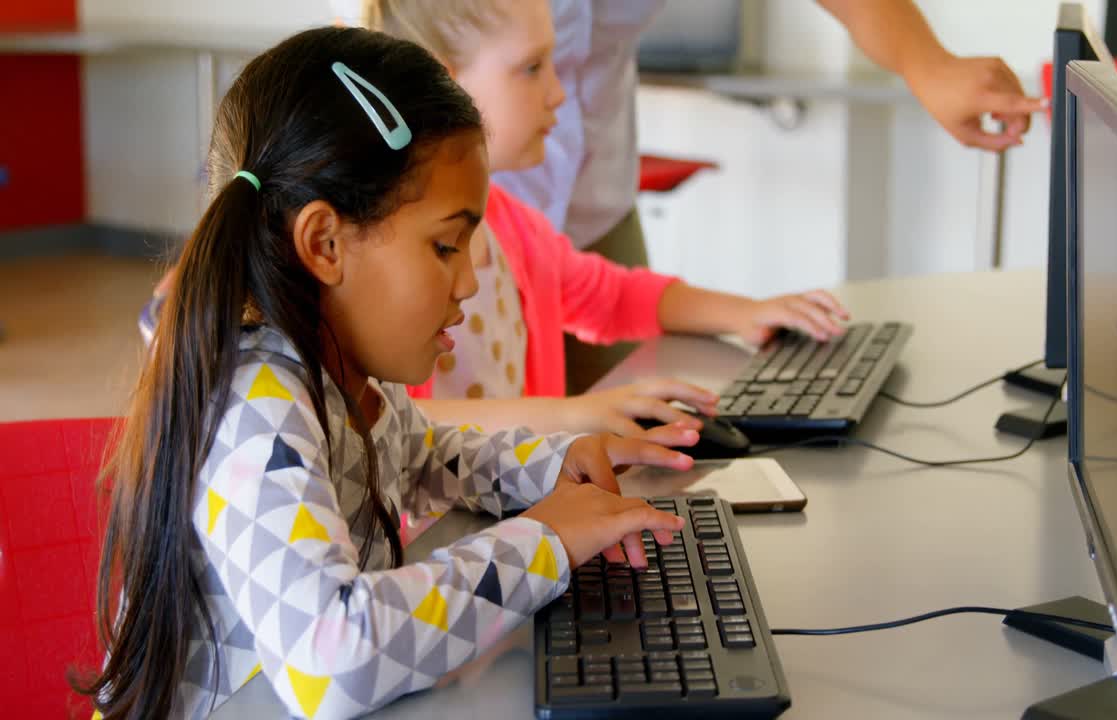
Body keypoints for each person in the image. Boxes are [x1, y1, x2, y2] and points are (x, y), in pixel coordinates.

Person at [81, 27, 695, 719]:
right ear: (325, 243)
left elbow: (432, 455)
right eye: (444, 245)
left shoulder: (346, 377)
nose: (468, 282)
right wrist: (547, 540)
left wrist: (556, 469)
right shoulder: (254, 400)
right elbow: (333, 656)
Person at [341, 0, 1044, 392]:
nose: (558, 89)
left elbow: (604, 292)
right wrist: (573, 423)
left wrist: (749, 310)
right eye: (534, 70)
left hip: (572, 208)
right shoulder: (391, 271)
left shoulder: (519, 237)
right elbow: (406, 437)